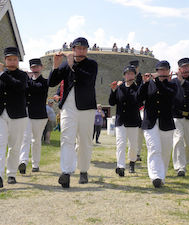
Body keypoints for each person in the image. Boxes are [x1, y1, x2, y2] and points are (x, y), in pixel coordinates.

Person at [48, 37, 98, 188]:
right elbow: (51, 82)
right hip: (68, 107)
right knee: (67, 139)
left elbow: (87, 80)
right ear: (73, 49)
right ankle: (66, 172)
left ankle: (83, 170)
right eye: (78, 48)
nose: (81, 50)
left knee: (84, 141)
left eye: (84, 48)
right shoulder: (66, 64)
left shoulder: (92, 65)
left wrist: (71, 66)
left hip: (86, 107)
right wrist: (56, 66)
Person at [0, 47, 28, 188]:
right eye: (9, 59)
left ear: (18, 61)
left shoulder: (23, 75)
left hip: (18, 116)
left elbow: (19, 87)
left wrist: (2, 73)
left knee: (14, 146)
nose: (12, 62)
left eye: (14, 59)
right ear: (4, 60)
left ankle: (11, 173)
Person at [137, 60, 177, 188]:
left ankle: (162, 175)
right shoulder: (149, 84)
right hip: (150, 122)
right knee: (154, 148)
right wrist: (144, 83)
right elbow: (138, 98)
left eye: (165, 70)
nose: (162, 72)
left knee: (165, 151)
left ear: (168, 71)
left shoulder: (172, 85)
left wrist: (158, 82)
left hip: (166, 123)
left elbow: (169, 95)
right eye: (160, 70)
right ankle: (155, 176)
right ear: (157, 71)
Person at [109, 65, 141, 176]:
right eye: (127, 73)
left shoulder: (137, 89)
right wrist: (113, 90)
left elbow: (137, 100)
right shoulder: (119, 88)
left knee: (133, 145)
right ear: (124, 75)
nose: (129, 75)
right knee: (120, 143)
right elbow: (112, 103)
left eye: (131, 73)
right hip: (121, 120)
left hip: (133, 120)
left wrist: (127, 88)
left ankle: (132, 162)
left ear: (134, 75)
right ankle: (120, 166)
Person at [18, 58, 48, 174]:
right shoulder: (27, 82)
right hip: (27, 114)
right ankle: (23, 162)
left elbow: (38, 88)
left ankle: (35, 164)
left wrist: (28, 79)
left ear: (41, 67)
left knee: (36, 140)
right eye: (33, 67)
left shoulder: (44, 82)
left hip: (40, 115)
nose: (34, 69)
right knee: (25, 138)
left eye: (37, 67)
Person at [171, 58, 189, 177]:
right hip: (177, 115)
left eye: (188, 66)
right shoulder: (173, 82)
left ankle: (185, 162)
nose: (186, 69)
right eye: (183, 67)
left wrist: (182, 80)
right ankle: (180, 167)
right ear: (179, 69)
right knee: (178, 139)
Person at [129, 60, 143, 161]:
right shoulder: (127, 77)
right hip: (130, 108)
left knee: (139, 132)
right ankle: (132, 152)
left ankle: (137, 153)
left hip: (140, 108)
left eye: (135, 67)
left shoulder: (141, 78)